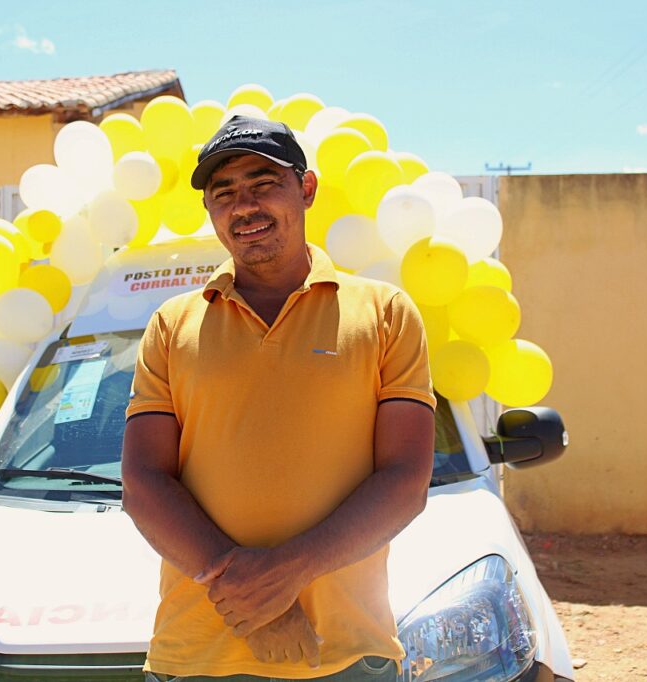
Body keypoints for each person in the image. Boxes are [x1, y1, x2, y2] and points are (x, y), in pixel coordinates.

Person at [121, 116, 436, 680]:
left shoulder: (386, 313)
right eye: (225, 194)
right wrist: (251, 601)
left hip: (344, 654)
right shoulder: (172, 325)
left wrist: (283, 578)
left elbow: (405, 481)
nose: (245, 206)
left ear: (306, 188)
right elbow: (144, 482)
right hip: (195, 658)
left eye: (263, 184)